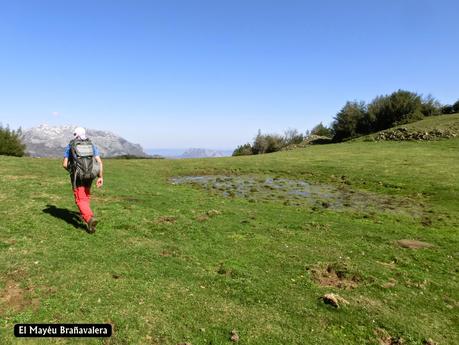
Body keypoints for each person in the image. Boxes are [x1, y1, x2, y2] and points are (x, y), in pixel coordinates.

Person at [62, 127, 104, 233]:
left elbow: (65, 164)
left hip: (78, 176)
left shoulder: (71, 145)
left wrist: (72, 172)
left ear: (75, 134)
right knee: (85, 195)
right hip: (90, 175)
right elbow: (99, 162)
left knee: (79, 199)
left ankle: (89, 219)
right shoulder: (91, 145)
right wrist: (100, 177)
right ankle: (88, 220)